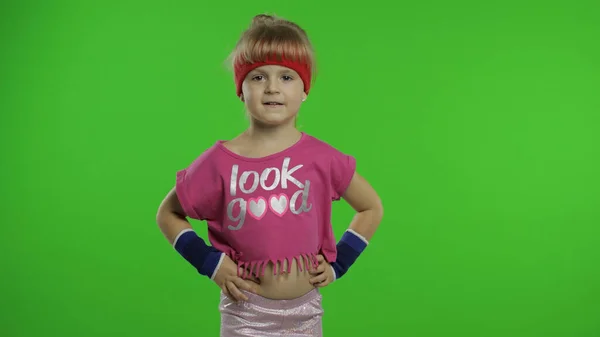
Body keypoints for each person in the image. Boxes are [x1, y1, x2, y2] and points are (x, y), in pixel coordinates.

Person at [156, 13, 383, 337]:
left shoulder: (322, 157)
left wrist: (339, 263)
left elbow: (371, 207)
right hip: (245, 313)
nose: (272, 87)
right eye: (258, 77)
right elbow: (168, 214)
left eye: (287, 77)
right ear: (241, 89)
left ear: (304, 89)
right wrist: (210, 263)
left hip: (306, 312)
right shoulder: (218, 163)